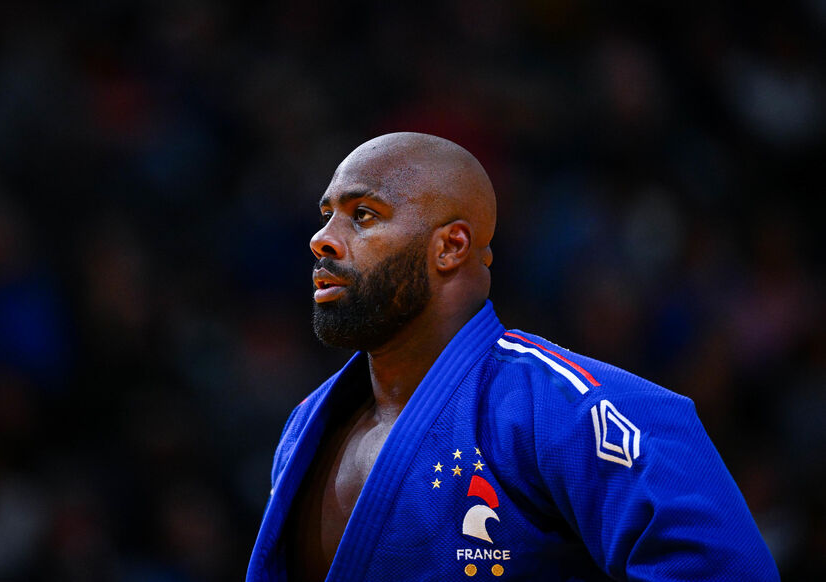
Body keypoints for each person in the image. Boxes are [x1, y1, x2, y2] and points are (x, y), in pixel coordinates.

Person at [246, 132, 779, 581]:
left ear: (451, 247)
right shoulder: (304, 428)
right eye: (326, 216)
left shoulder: (574, 408)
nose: (323, 240)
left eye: (363, 214)